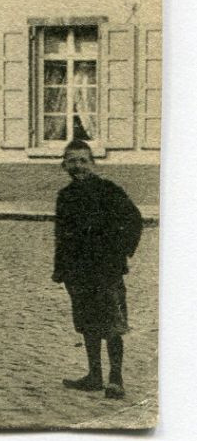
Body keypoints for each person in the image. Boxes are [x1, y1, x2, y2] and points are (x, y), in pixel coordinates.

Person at [53, 137, 144, 400]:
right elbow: (62, 235)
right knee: (87, 322)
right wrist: (60, 269)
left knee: (112, 324)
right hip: (77, 272)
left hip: (106, 271)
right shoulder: (65, 197)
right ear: (64, 165)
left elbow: (134, 220)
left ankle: (116, 379)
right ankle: (94, 376)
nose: (78, 166)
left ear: (93, 163)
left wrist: (121, 252)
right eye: (72, 161)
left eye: (83, 160)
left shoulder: (108, 190)